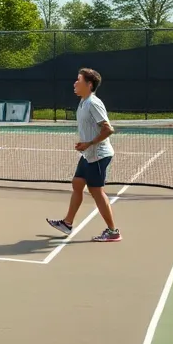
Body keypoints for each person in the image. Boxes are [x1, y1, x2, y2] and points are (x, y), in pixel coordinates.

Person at [46, 67, 120, 243]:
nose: (75, 83)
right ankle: (67, 223)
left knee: (96, 191)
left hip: (99, 155)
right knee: (77, 183)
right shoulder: (82, 102)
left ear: (89, 84)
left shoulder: (93, 103)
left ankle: (113, 231)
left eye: (78, 80)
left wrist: (89, 143)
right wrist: (86, 144)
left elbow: (108, 129)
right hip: (88, 154)